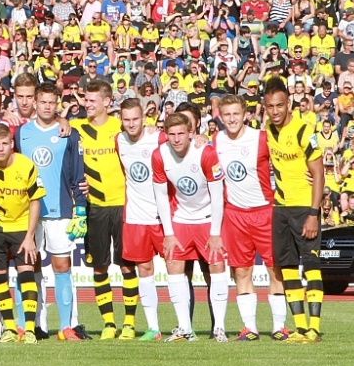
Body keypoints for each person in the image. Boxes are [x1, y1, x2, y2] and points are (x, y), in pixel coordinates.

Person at [213, 95, 291, 341]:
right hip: (235, 215)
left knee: (274, 270)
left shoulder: (261, 138)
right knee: (241, 271)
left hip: (265, 212)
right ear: (220, 116)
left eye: (236, 113)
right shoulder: (215, 140)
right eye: (227, 114)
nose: (232, 119)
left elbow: (287, 159)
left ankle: (279, 327)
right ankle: (250, 328)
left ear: (245, 114)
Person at [16, 83, 89, 341]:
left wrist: (81, 209)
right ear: (35, 103)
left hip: (61, 210)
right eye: (43, 102)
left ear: (57, 104)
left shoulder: (69, 134)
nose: (47, 106)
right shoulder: (21, 133)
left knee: (62, 266)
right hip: (27, 212)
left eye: (51, 102)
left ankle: (66, 326)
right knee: (28, 266)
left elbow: (78, 175)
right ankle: (30, 324)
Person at [152, 112, 230, 342]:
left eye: (181, 134)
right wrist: (168, 233)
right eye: (172, 134)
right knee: (174, 266)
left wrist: (215, 232)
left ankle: (219, 328)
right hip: (180, 218)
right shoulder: (159, 155)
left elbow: (218, 195)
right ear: (166, 135)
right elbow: (160, 195)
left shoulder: (205, 152)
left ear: (190, 133)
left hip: (207, 218)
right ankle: (185, 328)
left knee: (216, 266)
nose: (176, 139)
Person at [72, 79, 139, 339]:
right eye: (85, 100)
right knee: (99, 267)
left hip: (123, 206)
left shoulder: (120, 127)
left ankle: (129, 324)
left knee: (127, 266)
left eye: (91, 100)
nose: (86, 104)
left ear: (107, 102)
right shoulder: (77, 128)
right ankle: (109, 324)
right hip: (95, 208)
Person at [263, 76, 325, 343]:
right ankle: (300, 329)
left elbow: (319, 173)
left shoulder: (304, 130)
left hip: (304, 208)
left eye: (279, 105)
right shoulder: (267, 129)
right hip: (281, 208)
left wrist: (313, 213)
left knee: (311, 265)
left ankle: (314, 329)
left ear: (288, 104)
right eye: (270, 106)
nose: (275, 111)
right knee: (287, 267)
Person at [0, 123, 44, 344]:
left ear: (12, 143)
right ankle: (10, 329)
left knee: (27, 275)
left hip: (22, 227)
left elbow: (35, 201)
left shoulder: (26, 165)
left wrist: (30, 236)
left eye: (5, 143)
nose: (1, 148)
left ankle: (29, 329)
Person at [115, 99, 166, 341]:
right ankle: (153, 328)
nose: (131, 124)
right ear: (121, 120)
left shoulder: (158, 138)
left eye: (135, 119)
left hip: (163, 216)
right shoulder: (119, 141)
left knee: (178, 268)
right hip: (136, 217)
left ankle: (186, 326)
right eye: (127, 120)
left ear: (144, 119)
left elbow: (184, 147)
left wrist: (198, 137)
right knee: (144, 269)